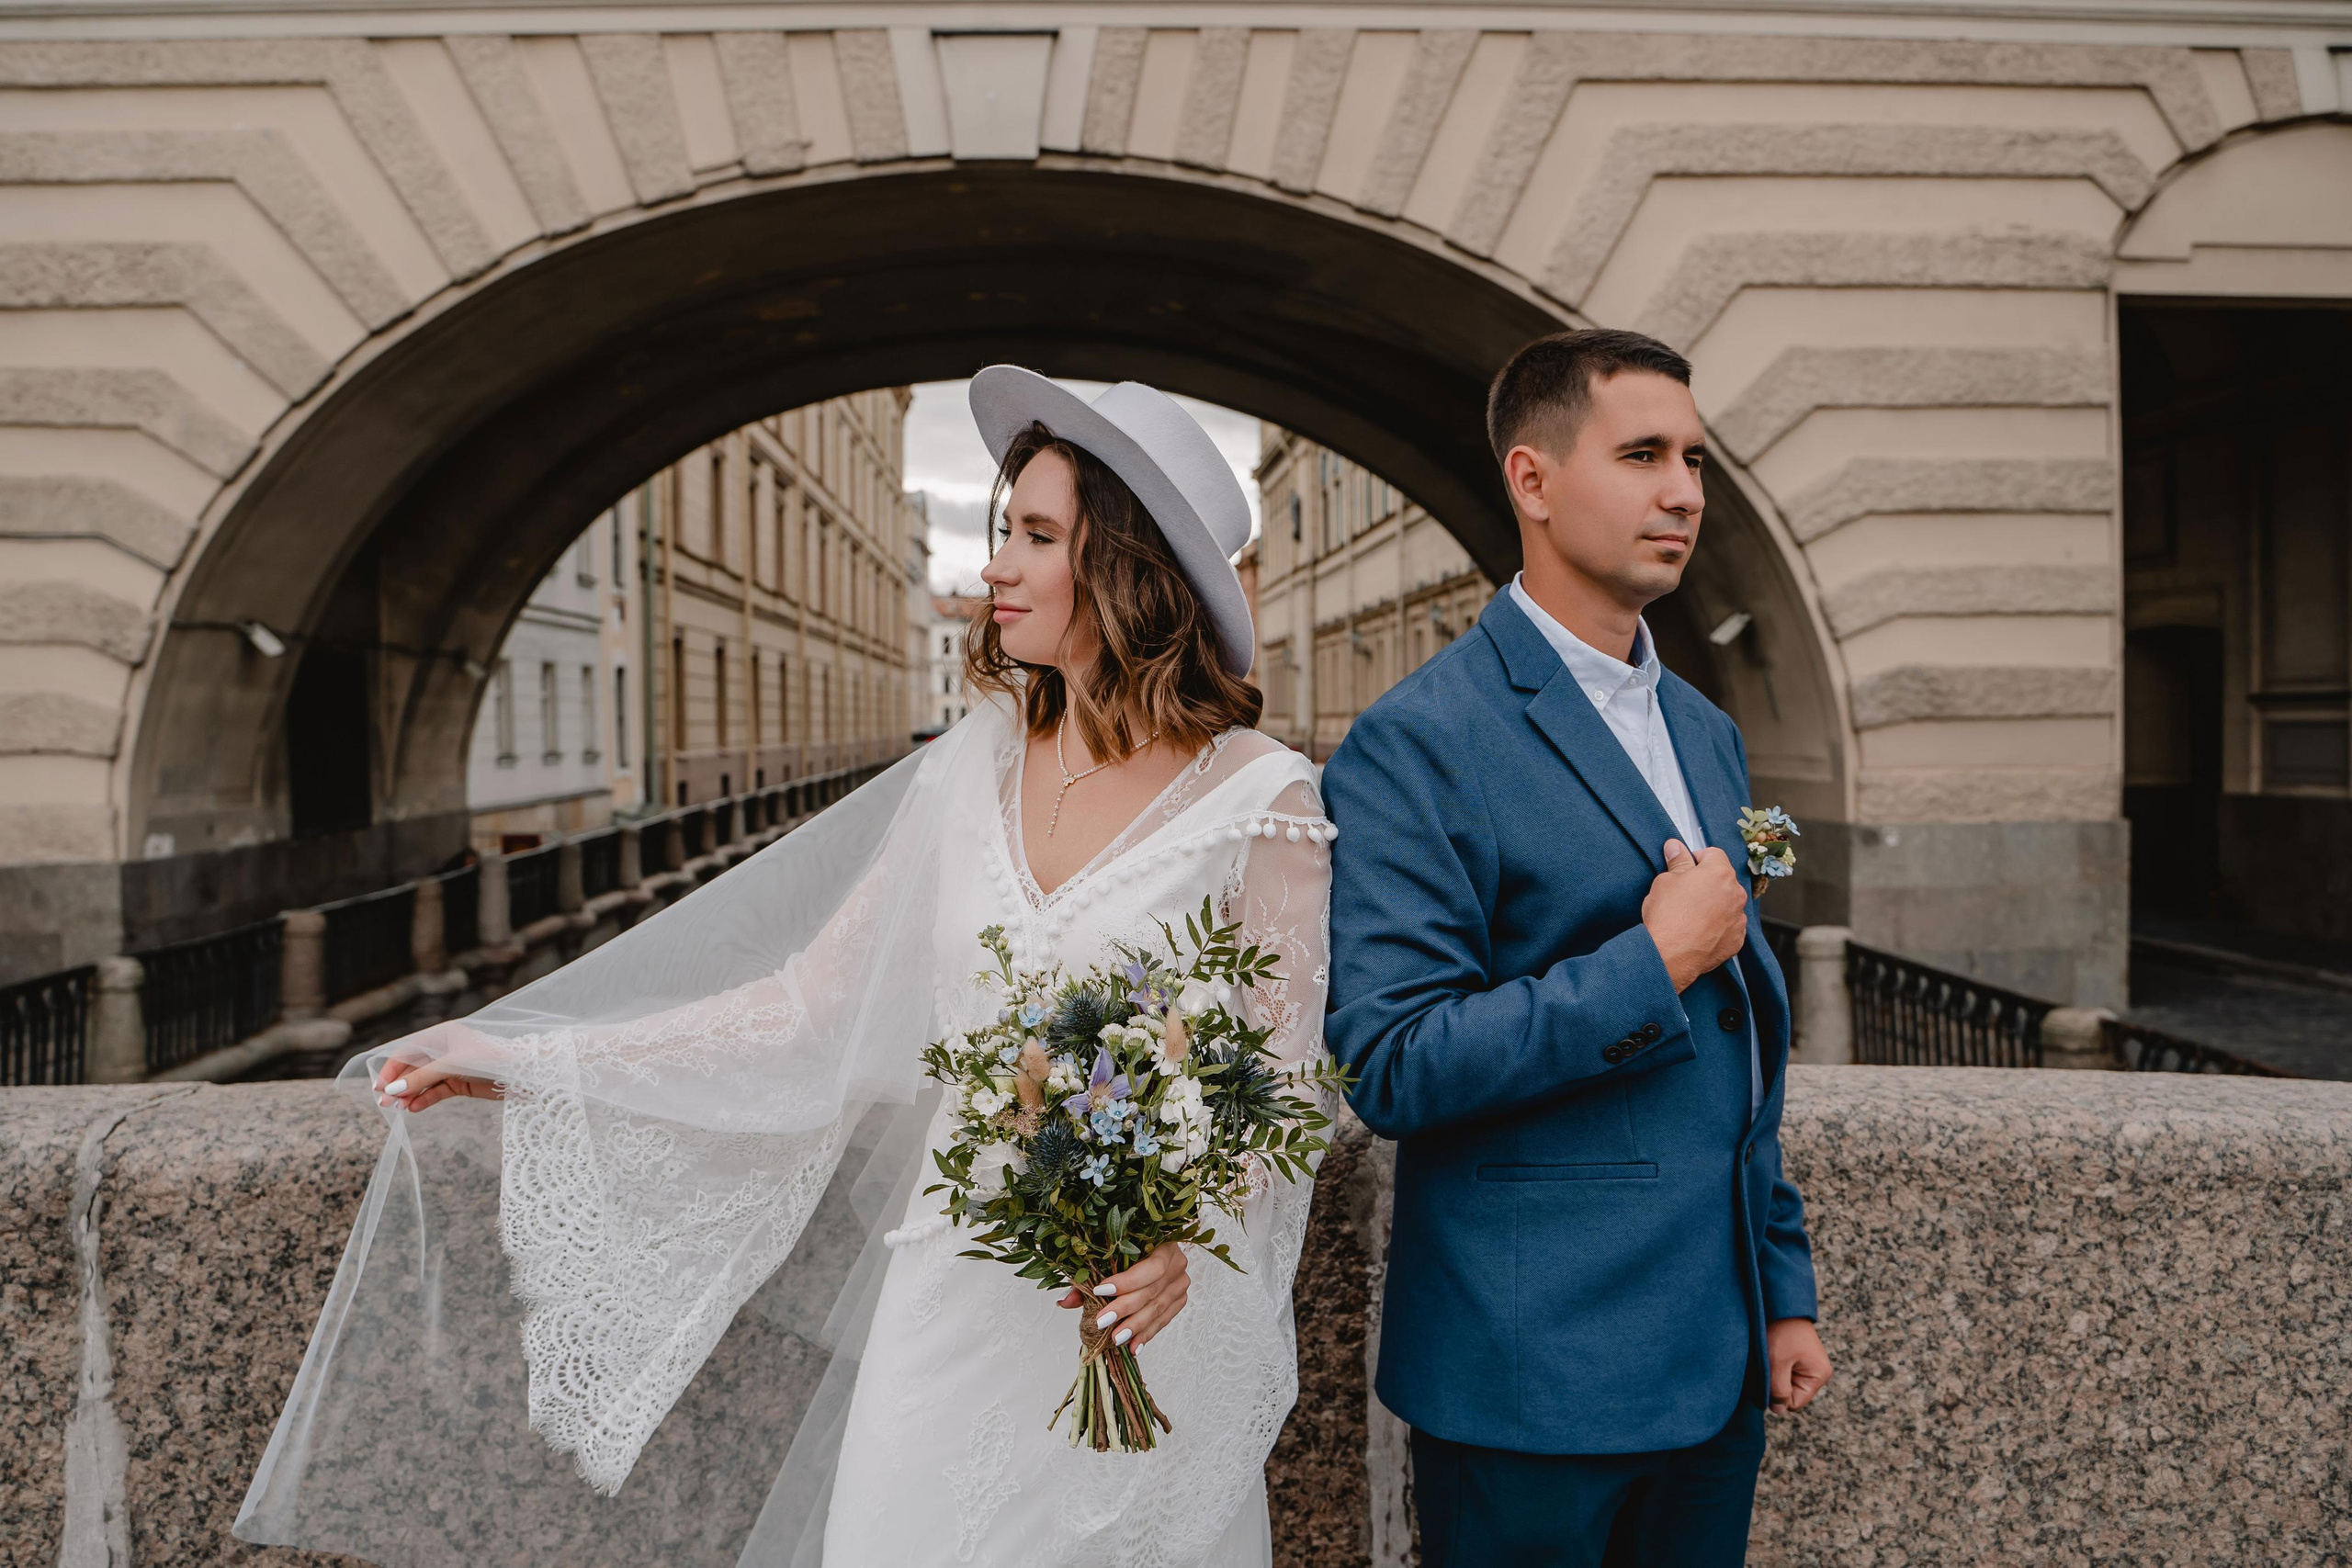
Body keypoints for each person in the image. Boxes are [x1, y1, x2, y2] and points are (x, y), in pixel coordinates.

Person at [234, 371, 1336, 1567]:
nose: (994, 570)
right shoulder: (967, 769)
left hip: (1135, 1318)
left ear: (1128, 568)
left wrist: (1175, 1232)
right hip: (953, 1304)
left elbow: (1280, 1093)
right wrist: (526, 1061)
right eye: (998, 532)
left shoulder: (1262, 801)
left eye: (1035, 536)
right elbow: (808, 1011)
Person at [1321, 328, 1831, 1567]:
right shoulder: (1419, 742)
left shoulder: (1706, 733)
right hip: (1530, 1379)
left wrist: (1781, 1285)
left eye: (1697, 461)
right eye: (1644, 454)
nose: (1685, 494)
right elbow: (1392, 1061)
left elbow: (1739, 1045)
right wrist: (1650, 965)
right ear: (1532, 480)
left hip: (1715, 1365)